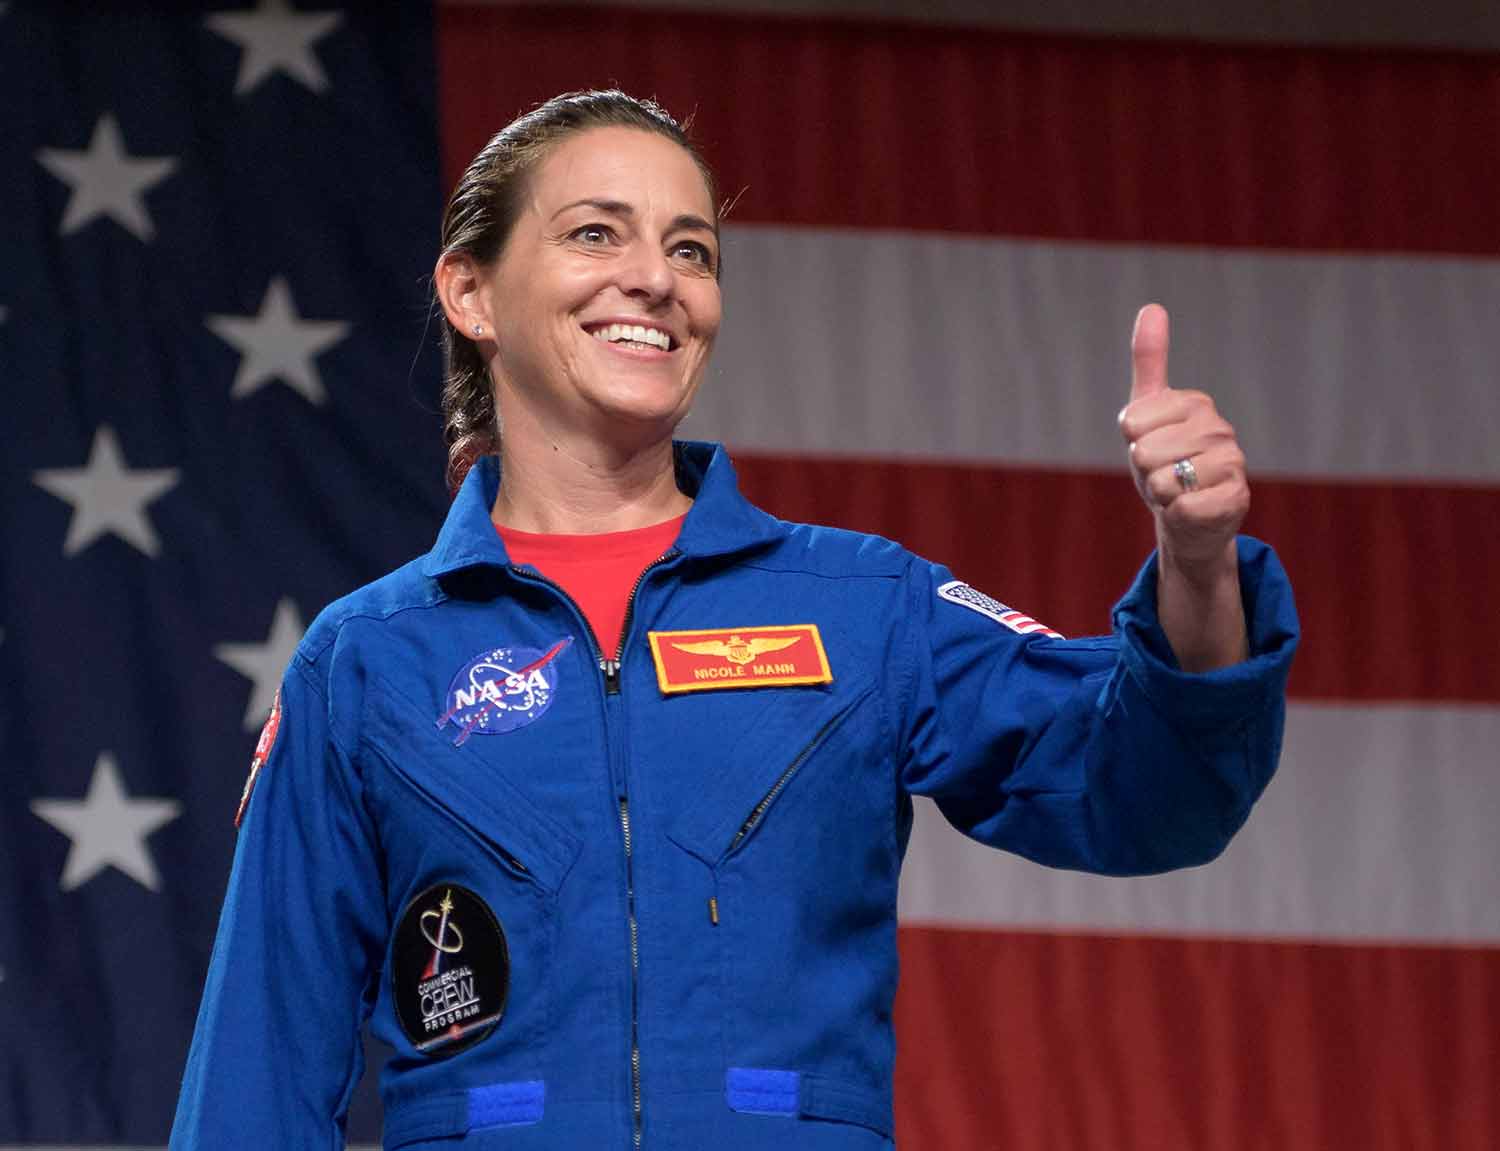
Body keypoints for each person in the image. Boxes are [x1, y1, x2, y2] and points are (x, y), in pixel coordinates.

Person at [170, 90, 1298, 1149]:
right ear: (471, 294)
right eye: (597, 234)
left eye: (691, 248)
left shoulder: (863, 608)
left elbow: (1153, 797)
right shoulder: (366, 663)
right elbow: (255, 1080)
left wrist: (1194, 564)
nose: (657, 280)